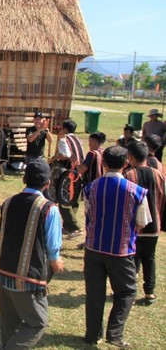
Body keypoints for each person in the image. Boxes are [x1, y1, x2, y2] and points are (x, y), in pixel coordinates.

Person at [82, 146, 150, 348]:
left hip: (93, 248)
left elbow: (88, 213)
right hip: (121, 250)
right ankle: (115, 333)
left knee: (95, 294)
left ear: (103, 163)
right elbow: (142, 222)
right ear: (126, 162)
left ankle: (92, 335)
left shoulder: (91, 188)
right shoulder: (136, 192)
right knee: (127, 292)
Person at [0, 159, 64, 349]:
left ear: (24, 179)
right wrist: (56, 261)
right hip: (28, 277)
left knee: (9, 323)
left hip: (3, 271)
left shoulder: (8, 202)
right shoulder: (48, 208)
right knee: (37, 322)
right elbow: (52, 245)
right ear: (48, 183)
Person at [123, 141, 164, 306]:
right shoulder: (158, 174)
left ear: (131, 157)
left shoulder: (130, 175)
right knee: (150, 258)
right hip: (154, 225)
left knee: (131, 259)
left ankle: (130, 293)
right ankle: (150, 292)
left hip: (135, 226)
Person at [48, 119, 85, 237]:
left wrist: (54, 158)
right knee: (74, 199)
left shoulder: (64, 140)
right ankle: (68, 226)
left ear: (64, 129)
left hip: (68, 174)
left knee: (64, 200)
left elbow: (65, 156)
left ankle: (75, 227)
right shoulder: (78, 140)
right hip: (79, 172)